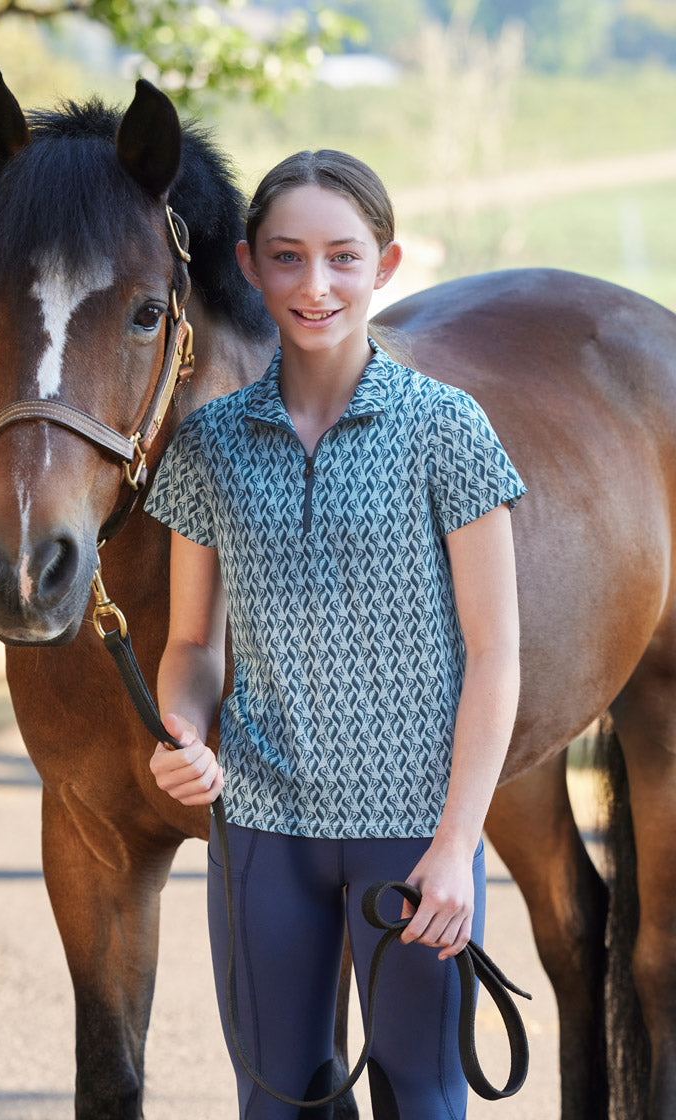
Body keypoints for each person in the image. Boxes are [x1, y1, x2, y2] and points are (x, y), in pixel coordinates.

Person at [145, 149, 526, 1119]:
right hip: (261, 832)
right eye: (286, 258)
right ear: (249, 267)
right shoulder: (211, 445)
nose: (314, 286)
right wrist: (181, 730)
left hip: (412, 831)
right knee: (276, 1101)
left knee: (419, 1096)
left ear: (385, 265)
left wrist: (456, 844)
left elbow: (493, 653)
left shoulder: (446, 428)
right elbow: (192, 647)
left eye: (342, 258)